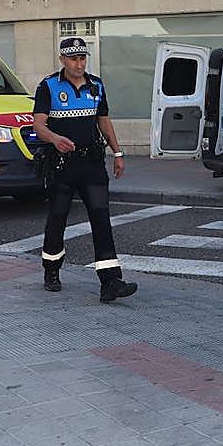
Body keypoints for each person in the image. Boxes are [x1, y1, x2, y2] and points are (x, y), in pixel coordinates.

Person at [33, 37, 137, 302]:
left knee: (101, 220)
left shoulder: (96, 85)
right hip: (62, 166)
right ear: (62, 60)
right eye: (73, 59)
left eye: (82, 58)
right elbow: (39, 125)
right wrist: (54, 139)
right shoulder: (48, 86)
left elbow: (104, 121)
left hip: (92, 164)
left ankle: (110, 282)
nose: (79, 64)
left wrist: (117, 153)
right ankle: (51, 269)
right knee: (57, 219)